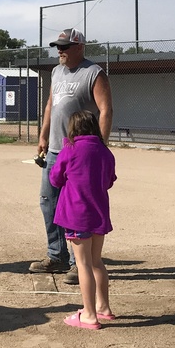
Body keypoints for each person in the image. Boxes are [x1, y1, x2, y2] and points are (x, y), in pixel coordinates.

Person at [33, 28, 113, 284]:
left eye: (65, 47)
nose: (60, 51)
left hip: (80, 153)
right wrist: (43, 135)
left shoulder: (94, 73)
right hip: (56, 149)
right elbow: (50, 105)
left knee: (80, 206)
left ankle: (79, 264)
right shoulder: (57, 72)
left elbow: (105, 109)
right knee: (49, 202)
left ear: (79, 47)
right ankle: (56, 255)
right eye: (58, 46)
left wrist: (99, 145)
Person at [49, 110, 117, 329]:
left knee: (83, 264)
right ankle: (103, 307)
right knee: (96, 261)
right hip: (98, 213)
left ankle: (88, 314)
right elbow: (109, 181)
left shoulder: (70, 149)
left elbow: (55, 178)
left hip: (77, 215)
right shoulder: (105, 152)